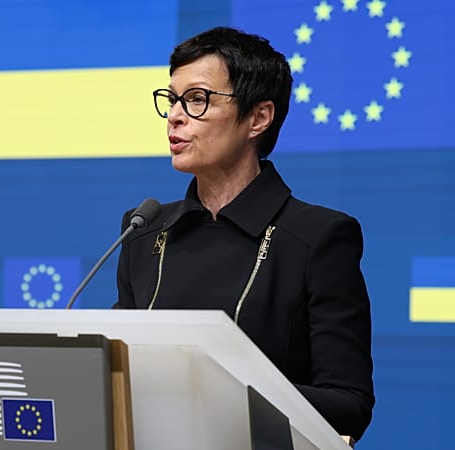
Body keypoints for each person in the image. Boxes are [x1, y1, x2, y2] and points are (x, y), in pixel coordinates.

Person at [114, 26, 374, 441]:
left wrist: (223, 389)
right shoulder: (144, 232)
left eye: (197, 99)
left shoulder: (318, 238)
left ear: (258, 118)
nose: (176, 116)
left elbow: (349, 404)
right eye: (173, 99)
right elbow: (116, 371)